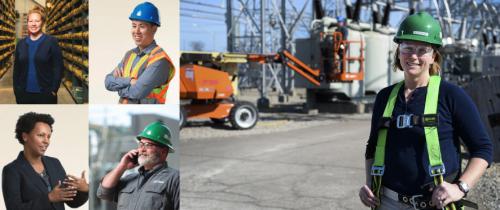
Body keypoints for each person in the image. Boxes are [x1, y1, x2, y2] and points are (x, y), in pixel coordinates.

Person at [358, 12, 493, 210]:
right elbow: (373, 147)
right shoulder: (384, 97)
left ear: (433, 56)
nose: (413, 56)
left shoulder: (451, 95)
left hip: (434, 205)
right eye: (407, 48)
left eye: (422, 50)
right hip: (387, 202)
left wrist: (460, 187)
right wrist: (370, 183)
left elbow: (483, 149)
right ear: (398, 51)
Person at [2, 112, 89, 210]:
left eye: (48, 136)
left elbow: (71, 201)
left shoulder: (54, 163)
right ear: (25, 136)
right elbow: (14, 208)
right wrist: (49, 198)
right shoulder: (12, 170)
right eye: (41, 135)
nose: (46, 141)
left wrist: (85, 189)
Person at [97, 121, 179, 210]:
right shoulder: (129, 179)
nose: (142, 149)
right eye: (141, 144)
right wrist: (122, 166)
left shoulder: (174, 178)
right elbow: (102, 193)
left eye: (148, 145)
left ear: (164, 151)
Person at [104, 2, 175, 104]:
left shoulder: (159, 60)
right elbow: (108, 81)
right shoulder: (129, 55)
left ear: (154, 29)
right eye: (134, 26)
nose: (136, 31)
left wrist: (119, 87)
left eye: (142, 26)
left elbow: (137, 92)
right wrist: (129, 81)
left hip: (147, 115)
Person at [13, 7, 63, 104]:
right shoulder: (21, 44)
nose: (33, 24)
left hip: (45, 94)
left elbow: (58, 67)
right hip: (23, 94)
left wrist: (53, 90)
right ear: (27, 23)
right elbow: (16, 69)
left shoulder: (51, 42)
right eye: (31, 21)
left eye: (37, 21)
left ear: (42, 22)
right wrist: (16, 90)